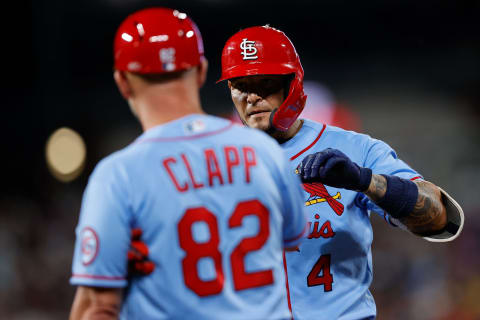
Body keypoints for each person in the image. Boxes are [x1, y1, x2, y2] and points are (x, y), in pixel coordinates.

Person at [68, 10, 307, 320]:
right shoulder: (264, 151)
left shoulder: (119, 175)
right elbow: (290, 239)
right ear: (201, 71)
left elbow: (99, 308)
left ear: (123, 82)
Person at [216, 25, 465, 319]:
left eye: (264, 82)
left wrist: (365, 180)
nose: (252, 96)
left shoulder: (353, 147)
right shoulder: (214, 162)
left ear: (292, 82)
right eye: (240, 85)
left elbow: (442, 218)